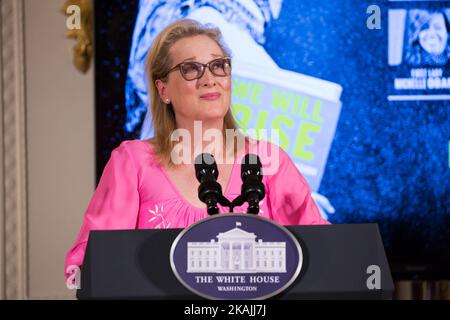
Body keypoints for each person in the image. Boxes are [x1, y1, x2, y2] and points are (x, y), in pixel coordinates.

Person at [64, 19, 328, 281]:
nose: (209, 79)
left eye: (218, 66)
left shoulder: (269, 162)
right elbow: (92, 262)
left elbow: (325, 253)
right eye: (191, 69)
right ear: (163, 88)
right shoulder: (132, 163)